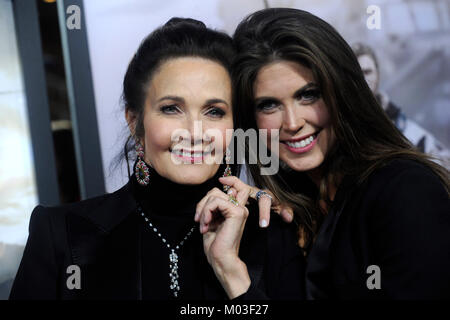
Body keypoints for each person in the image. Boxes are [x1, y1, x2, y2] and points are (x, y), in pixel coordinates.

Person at [9, 18, 305, 300]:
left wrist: (232, 273)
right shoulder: (62, 235)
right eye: (171, 109)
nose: (194, 132)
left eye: (214, 111)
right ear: (135, 122)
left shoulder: (271, 233)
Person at [197, 8, 450, 299]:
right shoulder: (293, 210)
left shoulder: (405, 190)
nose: (292, 123)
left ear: (343, 93)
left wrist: (235, 279)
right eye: (269, 105)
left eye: (308, 94)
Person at [352, 42, 450, 167]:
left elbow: (442, 159)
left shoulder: (403, 127)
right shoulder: (336, 126)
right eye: (356, 73)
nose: (363, 80)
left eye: (367, 72)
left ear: (378, 74)